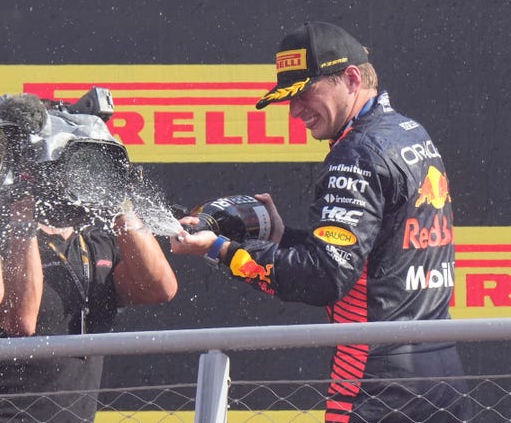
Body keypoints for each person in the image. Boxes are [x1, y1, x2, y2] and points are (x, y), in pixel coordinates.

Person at [171, 21, 471, 422]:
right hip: (442, 372)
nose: (295, 112)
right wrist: (283, 237)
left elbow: (324, 276)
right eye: (288, 99)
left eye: (305, 93)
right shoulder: (409, 132)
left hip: (376, 381)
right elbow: (373, 255)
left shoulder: (358, 152)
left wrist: (220, 250)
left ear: (350, 78)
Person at [0, 94, 178, 423]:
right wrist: (22, 211)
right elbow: (19, 320)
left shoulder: (97, 239)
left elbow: (159, 289)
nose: (83, 177)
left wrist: (118, 199)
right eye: (72, 162)